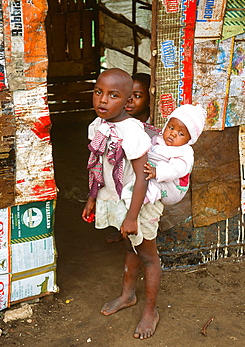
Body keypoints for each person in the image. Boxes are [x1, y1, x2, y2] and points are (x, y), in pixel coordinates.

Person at [82, 68, 164, 339]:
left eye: (113, 95)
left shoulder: (132, 132)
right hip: (117, 201)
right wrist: (92, 197)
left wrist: (132, 216)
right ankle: (128, 295)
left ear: (128, 100)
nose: (102, 100)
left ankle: (151, 310)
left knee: (149, 257)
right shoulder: (97, 125)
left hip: (137, 203)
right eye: (98, 92)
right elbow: (97, 165)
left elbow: (142, 177)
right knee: (131, 246)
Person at [105, 72, 153, 244]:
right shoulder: (121, 121)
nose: (130, 100)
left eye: (137, 96)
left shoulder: (152, 125)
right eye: (128, 95)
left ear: (149, 100)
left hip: (145, 175)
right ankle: (122, 229)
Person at [144, 104, 206, 205]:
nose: (173, 133)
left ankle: (139, 201)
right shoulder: (158, 139)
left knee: (152, 188)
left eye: (181, 134)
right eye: (171, 127)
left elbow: (176, 170)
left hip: (172, 187)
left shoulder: (185, 153)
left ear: (189, 139)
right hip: (157, 174)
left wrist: (157, 171)